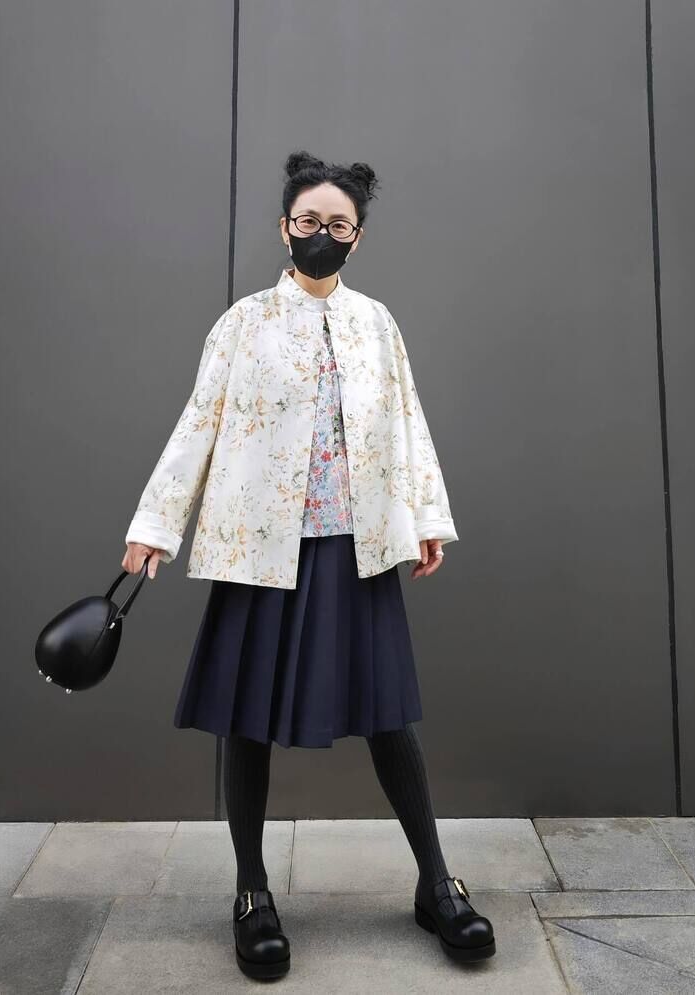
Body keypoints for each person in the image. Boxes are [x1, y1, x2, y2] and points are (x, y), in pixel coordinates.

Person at [122, 150, 496, 979]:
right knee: (247, 718)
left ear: (356, 238)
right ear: (283, 227)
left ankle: (436, 884)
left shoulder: (377, 324)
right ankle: (252, 891)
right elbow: (199, 421)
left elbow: (407, 419)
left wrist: (426, 517)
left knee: (390, 716)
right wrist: (155, 526)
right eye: (307, 220)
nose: (320, 233)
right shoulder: (244, 323)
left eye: (338, 224)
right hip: (260, 548)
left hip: (358, 546)